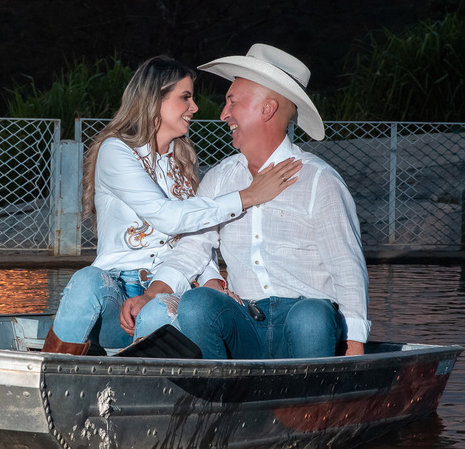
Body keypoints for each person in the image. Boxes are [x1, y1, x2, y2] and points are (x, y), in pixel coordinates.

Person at [121, 44, 369, 359]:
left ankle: (309, 397)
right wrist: (150, 295)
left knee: (311, 316)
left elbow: (346, 267)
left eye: (232, 102)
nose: (224, 114)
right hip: (246, 323)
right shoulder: (220, 179)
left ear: (266, 109)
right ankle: (219, 394)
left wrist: (355, 346)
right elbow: (192, 249)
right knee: (198, 304)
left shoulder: (320, 181)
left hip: (306, 323)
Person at [42, 55, 301, 355]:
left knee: (155, 313)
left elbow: (195, 232)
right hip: (113, 296)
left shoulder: (183, 160)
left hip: (167, 289)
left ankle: (150, 395)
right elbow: (168, 218)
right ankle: (49, 374)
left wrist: (212, 279)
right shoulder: (116, 151)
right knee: (85, 280)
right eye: (185, 98)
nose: (195, 108)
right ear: (155, 99)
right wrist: (247, 196)